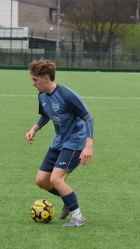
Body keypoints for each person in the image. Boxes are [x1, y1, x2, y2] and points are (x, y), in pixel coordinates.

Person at [25, 59, 94, 227]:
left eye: (35, 79)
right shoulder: (42, 95)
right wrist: (34, 129)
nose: (33, 83)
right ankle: (69, 196)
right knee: (41, 181)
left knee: (56, 179)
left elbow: (88, 118)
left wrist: (88, 146)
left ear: (46, 78)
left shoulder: (67, 95)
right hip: (59, 141)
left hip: (75, 141)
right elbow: (46, 114)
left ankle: (78, 218)